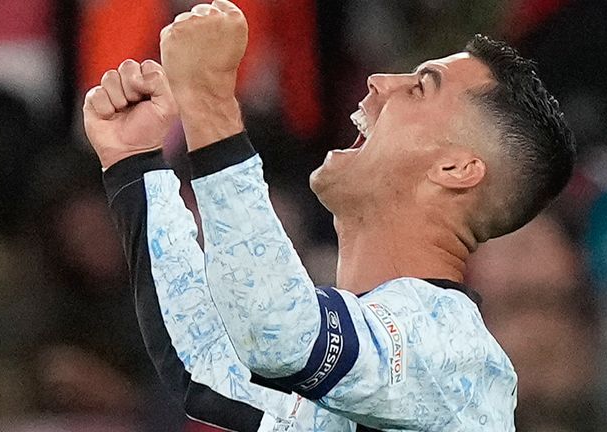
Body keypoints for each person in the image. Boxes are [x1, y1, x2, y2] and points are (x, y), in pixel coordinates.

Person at [82, 1, 575, 430]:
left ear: (455, 168)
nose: (380, 82)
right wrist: (137, 163)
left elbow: (277, 333)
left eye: (421, 88)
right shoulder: (363, 366)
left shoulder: (454, 351)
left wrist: (211, 103)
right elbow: (205, 367)